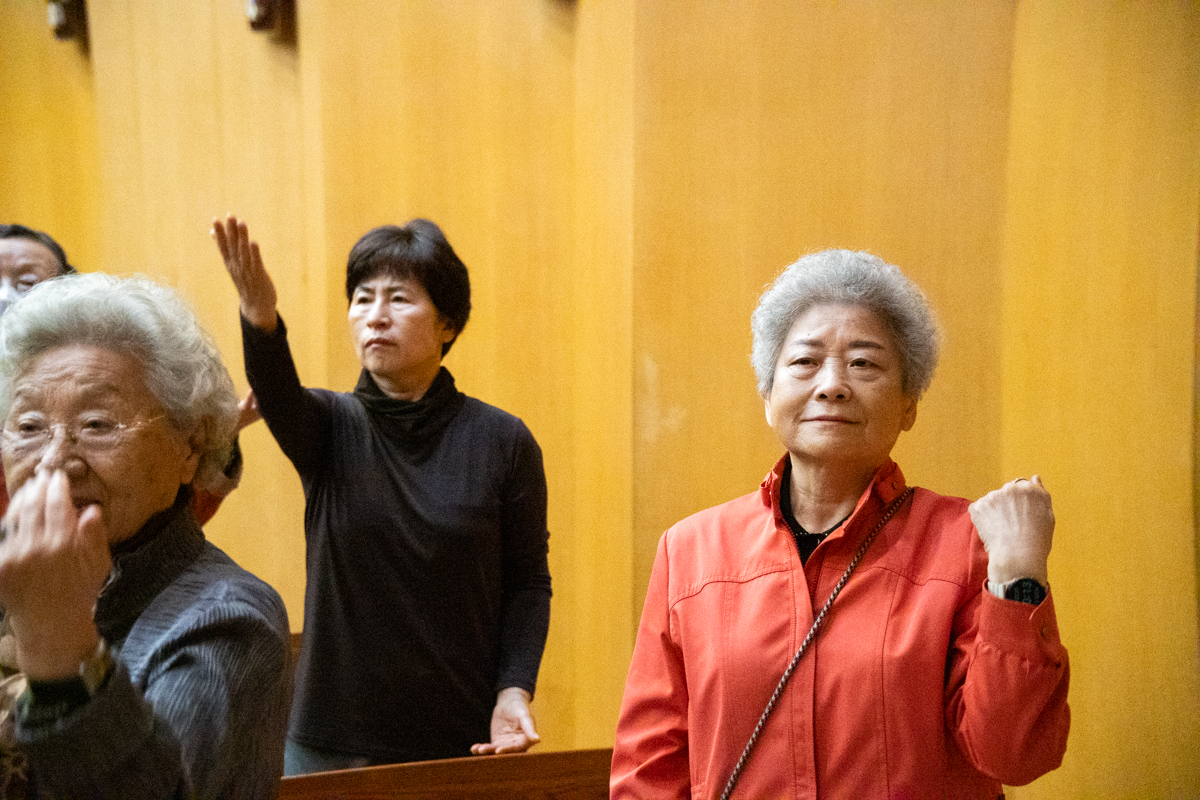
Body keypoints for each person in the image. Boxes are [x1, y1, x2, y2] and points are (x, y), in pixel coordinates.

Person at [610, 250, 1070, 799]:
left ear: (909, 404)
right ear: (768, 395)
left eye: (864, 364)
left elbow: (1012, 754)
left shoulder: (968, 544)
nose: (832, 385)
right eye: (805, 362)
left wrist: (1019, 574)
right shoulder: (690, 550)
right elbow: (649, 769)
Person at [211, 215, 552, 773]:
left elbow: (528, 583)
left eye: (398, 298)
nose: (375, 315)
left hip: (458, 737)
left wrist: (514, 688)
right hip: (329, 741)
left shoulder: (502, 441)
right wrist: (260, 315)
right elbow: (277, 391)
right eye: (362, 298)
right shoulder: (327, 427)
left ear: (447, 323)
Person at [0, 273, 292, 797]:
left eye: (97, 424)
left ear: (190, 447)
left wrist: (59, 646)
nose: (53, 461)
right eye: (28, 427)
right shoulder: (16, 579)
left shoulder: (227, 618)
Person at [0, 223, 256, 523]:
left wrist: (214, 441)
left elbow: (171, 509)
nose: (5, 298)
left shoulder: (133, 364)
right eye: (30, 427)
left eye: (96, 425)